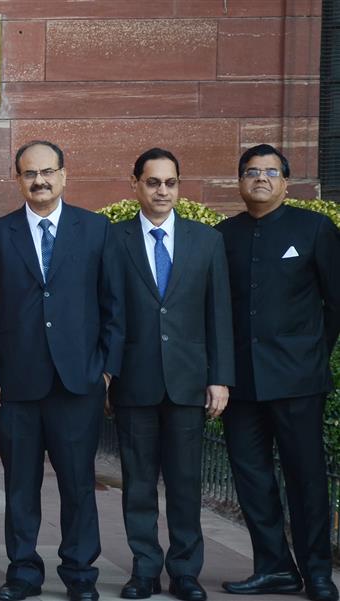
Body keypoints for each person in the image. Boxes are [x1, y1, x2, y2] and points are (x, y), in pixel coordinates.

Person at [0, 140, 120, 601]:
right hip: (14, 386)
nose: (39, 181)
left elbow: (115, 307)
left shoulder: (96, 230)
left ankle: (80, 574)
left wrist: (106, 371)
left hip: (78, 384)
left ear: (63, 175)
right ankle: (23, 573)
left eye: (47, 172)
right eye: (30, 173)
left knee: (78, 484)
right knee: (20, 486)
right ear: (17, 179)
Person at [107, 148, 234, 601]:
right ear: (136, 184)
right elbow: (108, 312)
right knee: (138, 485)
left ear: (179, 185)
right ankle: (144, 570)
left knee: (185, 484)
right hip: (134, 382)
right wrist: (106, 372)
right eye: (153, 182)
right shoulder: (113, 238)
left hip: (188, 382)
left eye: (170, 182)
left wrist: (220, 377)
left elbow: (218, 313)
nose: (163, 190)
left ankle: (185, 572)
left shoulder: (207, 241)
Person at [215, 144, 340, 601]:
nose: (261, 179)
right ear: (240, 182)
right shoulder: (223, 235)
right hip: (241, 384)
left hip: (297, 382)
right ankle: (274, 568)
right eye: (251, 171)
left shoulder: (315, 229)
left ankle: (318, 572)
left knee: (306, 479)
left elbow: (335, 304)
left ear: (286, 182)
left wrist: (312, 354)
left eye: (271, 172)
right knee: (252, 479)